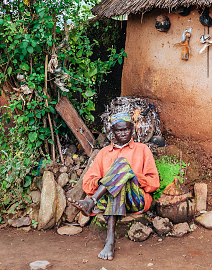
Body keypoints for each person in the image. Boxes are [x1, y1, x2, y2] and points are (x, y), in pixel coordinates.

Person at [67, 112, 160, 261]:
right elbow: (87, 183)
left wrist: (130, 176)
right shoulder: (104, 153)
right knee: (117, 186)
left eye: (126, 129)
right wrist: (108, 181)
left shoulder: (143, 149)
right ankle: (110, 241)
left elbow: (154, 183)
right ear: (112, 132)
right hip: (108, 198)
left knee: (122, 164)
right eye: (118, 130)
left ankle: (91, 202)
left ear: (132, 129)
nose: (123, 133)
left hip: (134, 200)